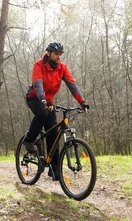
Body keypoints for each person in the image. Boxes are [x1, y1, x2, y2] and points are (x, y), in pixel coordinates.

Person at [23, 41, 89, 181]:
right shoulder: (39, 65)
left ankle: (54, 168)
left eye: (60, 54)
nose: (59, 56)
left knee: (53, 132)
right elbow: (38, 83)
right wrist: (42, 98)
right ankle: (29, 140)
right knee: (42, 113)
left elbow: (72, 85)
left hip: (49, 101)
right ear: (49, 53)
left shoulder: (62, 68)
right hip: (35, 98)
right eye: (56, 54)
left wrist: (82, 102)